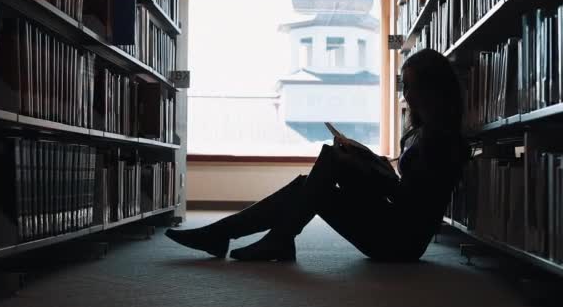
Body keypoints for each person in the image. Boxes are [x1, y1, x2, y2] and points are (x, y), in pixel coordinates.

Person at [165, 48, 471, 262]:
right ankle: (267, 238)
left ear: (432, 89)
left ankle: (255, 237)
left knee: (324, 174)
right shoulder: (426, 130)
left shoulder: (444, 141)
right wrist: (373, 163)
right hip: (392, 226)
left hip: (398, 244)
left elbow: (410, 205)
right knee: (312, 180)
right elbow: (405, 191)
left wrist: (376, 173)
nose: (406, 93)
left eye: (411, 85)